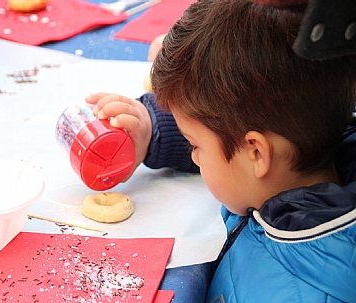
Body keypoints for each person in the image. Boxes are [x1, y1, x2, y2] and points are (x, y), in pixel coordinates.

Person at [87, 0, 356, 302]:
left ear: (256, 154)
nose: (193, 156)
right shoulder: (312, 138)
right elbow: (244, 127)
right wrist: (155, 131)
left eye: (194, 145)